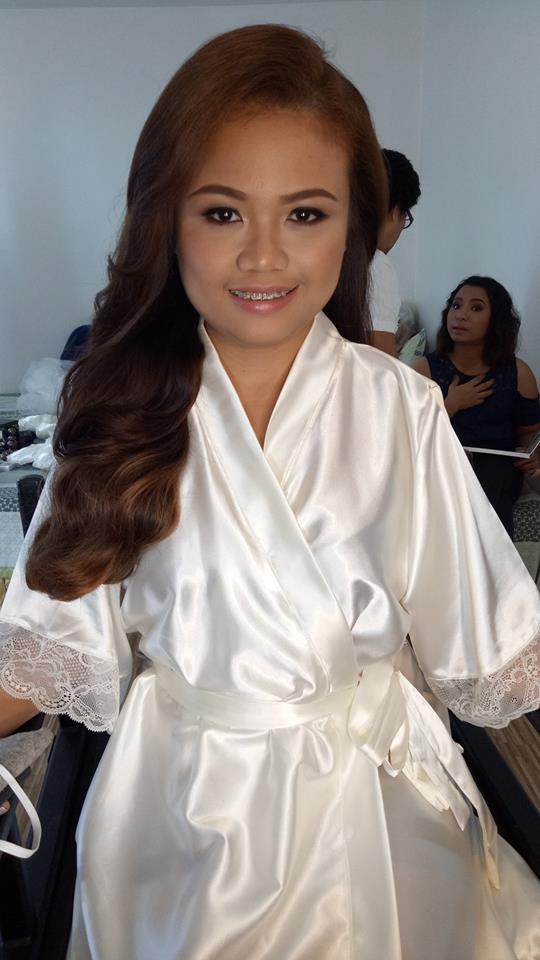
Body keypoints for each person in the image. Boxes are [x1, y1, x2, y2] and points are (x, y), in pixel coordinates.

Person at [0, 25, 539, 960]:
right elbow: (42, 650)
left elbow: (489, 635)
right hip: (181, 814)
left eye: (305, 214)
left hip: (373, 806)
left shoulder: (401, 409)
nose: (262, 256)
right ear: (165, 219)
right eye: (221, 212)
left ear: (356, 226)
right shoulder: (116, 411)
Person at [414, 276, 540, 537]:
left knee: (491, 471)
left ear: (496, 321)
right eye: (456, 305)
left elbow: (530, 434)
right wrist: (450, 405)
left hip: (497, 473)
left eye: (476, 308)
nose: (461, 315)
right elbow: (407, 434)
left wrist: (530, 455)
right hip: (442, 465)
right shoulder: (424, 370)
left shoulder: (518, 373)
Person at [369, 149, 420, 356]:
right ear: (395, 211)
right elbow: (379, 364)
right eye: (405, 218)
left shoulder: (327, 255)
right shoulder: (375, 265)